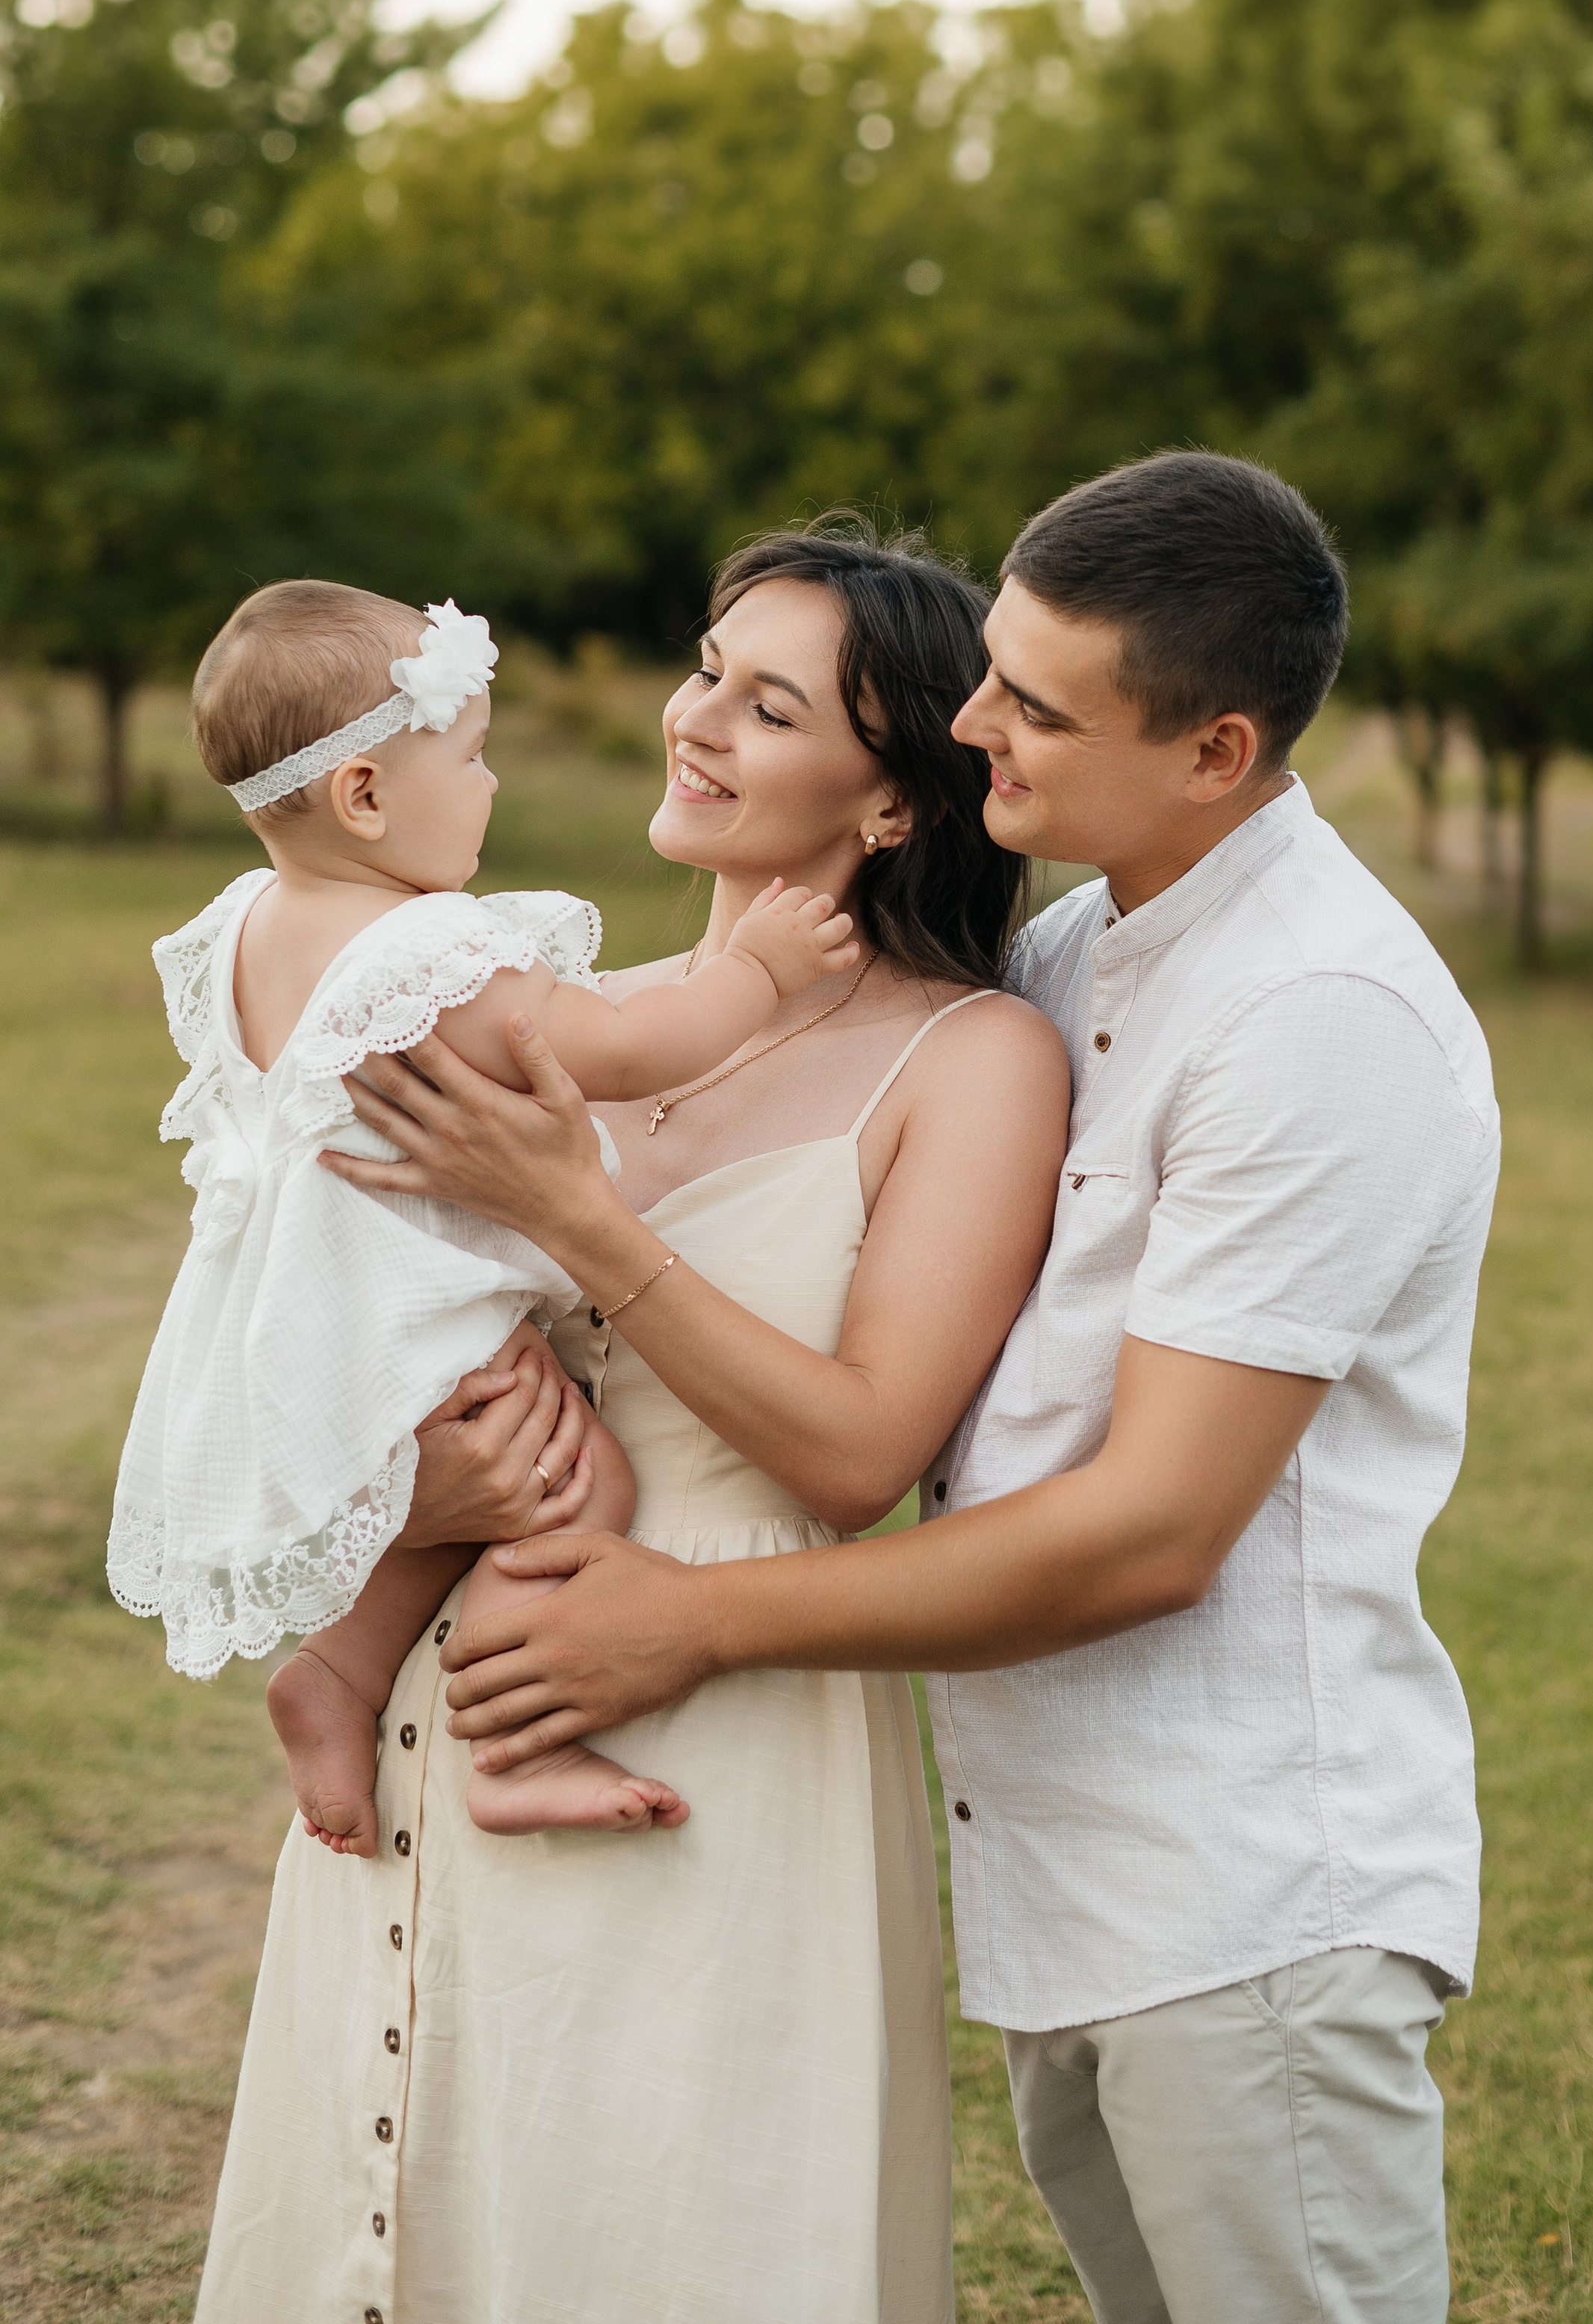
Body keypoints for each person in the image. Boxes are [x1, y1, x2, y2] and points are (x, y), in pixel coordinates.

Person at [339, 452, 1502, 2324]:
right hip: (1050, 1860)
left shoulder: (1316, 1022)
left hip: (1244, 1881)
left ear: (1212, 750)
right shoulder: (1065, 956)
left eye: (1031, 704)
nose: (973, 725)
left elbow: (1151, 1527)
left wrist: (690, 1621)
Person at [196, 526, 1069, 2324]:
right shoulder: (529, 1010)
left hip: (718, 1741)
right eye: (704, 668)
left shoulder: (973, 1060)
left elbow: (856, 1458)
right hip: (439, 1688)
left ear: (896, 801)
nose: (697, 721)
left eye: (767, 704)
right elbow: (334, 1294)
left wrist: (582, 1221)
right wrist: (412, 1475)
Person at [114, 578, 856, 1853]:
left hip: (307, 1319)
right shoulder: (422, 956)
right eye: (469, 756)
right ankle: (520, 1744)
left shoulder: (248, 927)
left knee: (488, 1487)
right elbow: (625, 1044)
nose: (494, 785)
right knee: (581, 1479)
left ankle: (338, 1674)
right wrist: (761, 975)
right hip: (413, 1302)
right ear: (364, 795)